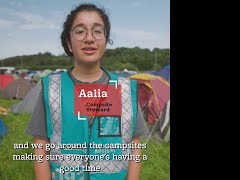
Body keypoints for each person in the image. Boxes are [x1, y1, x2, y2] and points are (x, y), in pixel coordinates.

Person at [26, 3, 149, 180]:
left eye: (98, 31)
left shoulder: (125, 90)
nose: (89, 38)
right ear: (68, 43)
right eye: (80, 31)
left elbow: (134, 148)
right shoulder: (51, 89)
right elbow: (40, 149)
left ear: (106, 41)